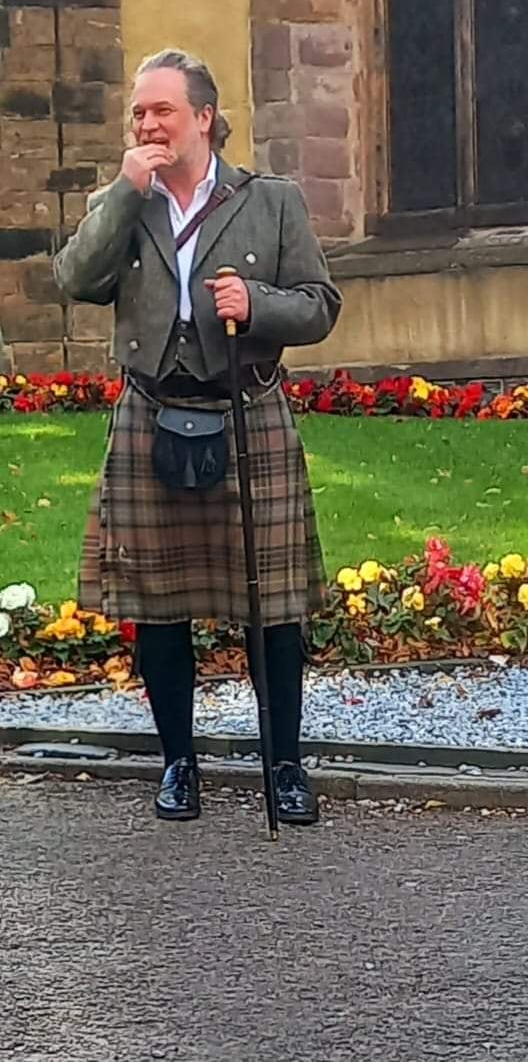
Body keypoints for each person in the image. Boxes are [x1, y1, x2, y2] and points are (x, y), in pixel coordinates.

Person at [54, 49, 342, 826]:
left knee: (273, 607)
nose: (147, 124)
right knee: (156, 604)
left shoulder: (269, 201)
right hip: (150, 411)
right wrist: (123, 192)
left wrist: (257, 302)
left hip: (247, 411)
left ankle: (284, 764)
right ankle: (178, 762)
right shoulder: (125, 203)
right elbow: (75, 278)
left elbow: (319, 305)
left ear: (204, 118)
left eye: (162, 111)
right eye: (139, 113)